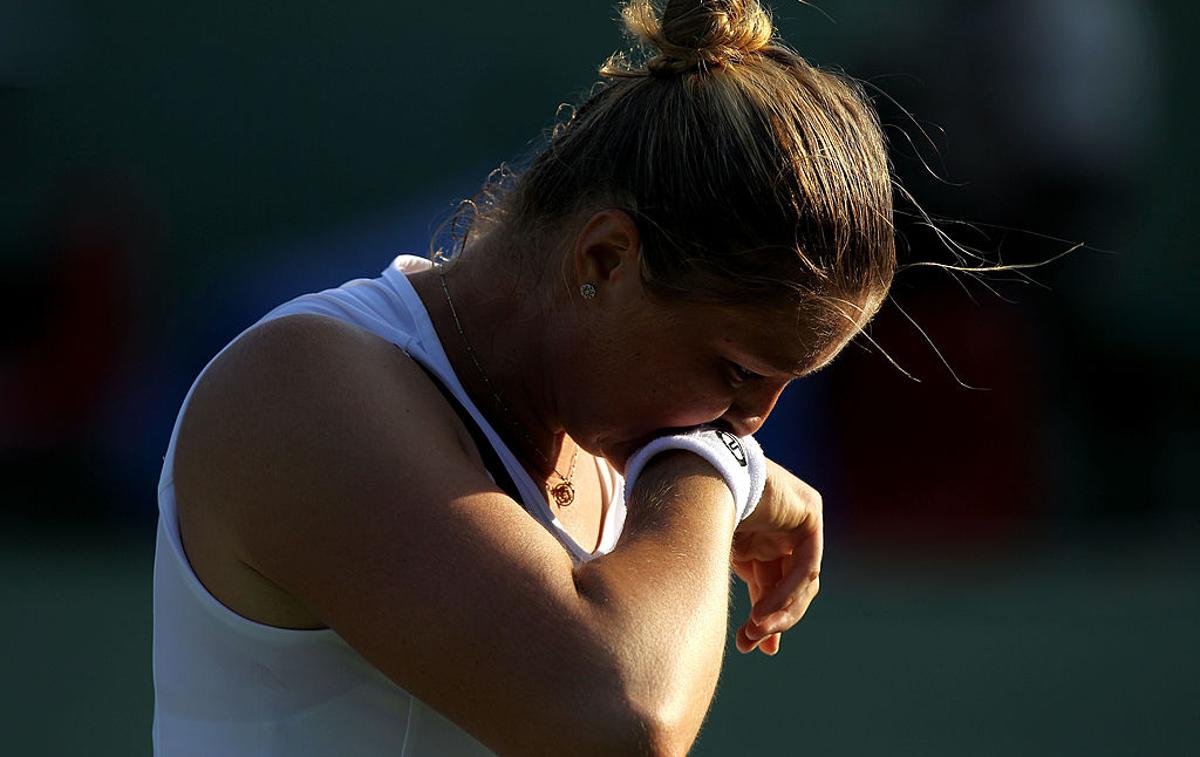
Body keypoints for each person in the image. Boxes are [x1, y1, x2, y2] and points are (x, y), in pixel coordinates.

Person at [151, 0, 896, 753]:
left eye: (780, 385)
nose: (751, 420)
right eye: (737, 370)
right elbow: (621, 718)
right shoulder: (300, 390)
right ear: (605, 257)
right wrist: (713, 464)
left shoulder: (608, 444)